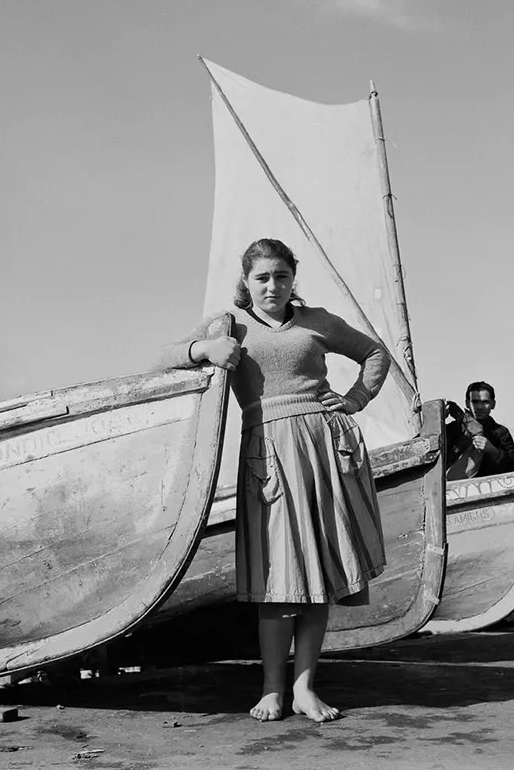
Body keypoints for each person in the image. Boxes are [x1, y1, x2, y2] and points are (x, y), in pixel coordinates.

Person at [154, 238, 390, 723]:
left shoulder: (318, 321)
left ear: (292, 279)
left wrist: (354, 399)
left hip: (323, 449)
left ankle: (305, 688)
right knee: (279, 580)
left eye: (281, 276)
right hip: (268, 454)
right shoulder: (230, 325)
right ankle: (272, 690)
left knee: (319, 574)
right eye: (262, 278)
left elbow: (374, 354)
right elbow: (160, 361)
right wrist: (204, 349)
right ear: (246, 282)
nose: (273, 286)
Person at [445, 381, 514, 479]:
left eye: (485, 402)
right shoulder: (454, 429)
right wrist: (439, 422)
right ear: (467, 403)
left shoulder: (500, 432)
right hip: (452, 490)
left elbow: (512, 466)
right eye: (475, 402)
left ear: (493, 404)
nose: (480, 407)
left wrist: (493, 451)